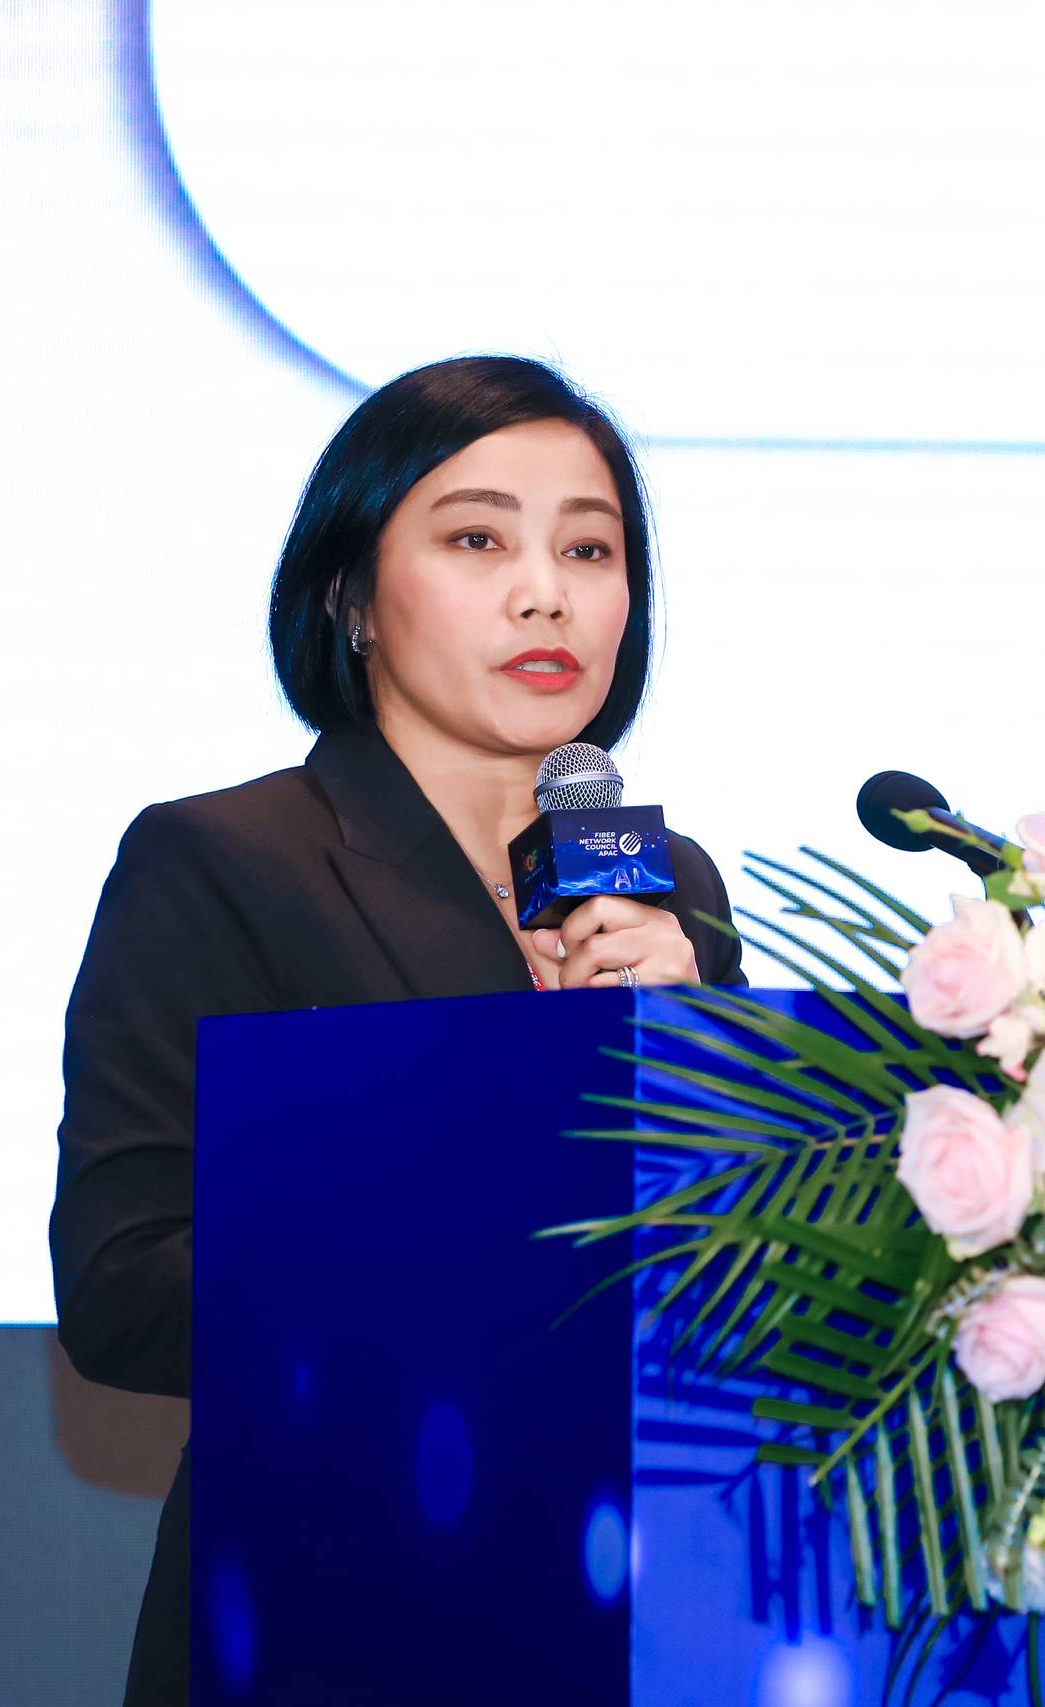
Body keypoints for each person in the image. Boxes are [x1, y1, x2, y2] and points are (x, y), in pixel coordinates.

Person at [47, 356, 745, 1706]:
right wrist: (492, 1151)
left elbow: (722, 1300)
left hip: (632, 1603)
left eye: (588, 549)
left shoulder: (670, 894)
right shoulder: (226, 862)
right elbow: (124, 1294)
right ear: (351, 597)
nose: (544, 592)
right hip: (333, 1600)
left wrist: (698, 1056)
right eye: (478, 540)